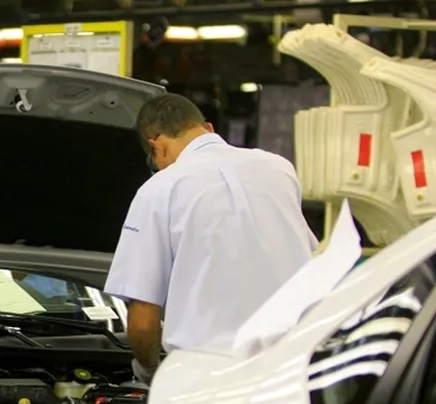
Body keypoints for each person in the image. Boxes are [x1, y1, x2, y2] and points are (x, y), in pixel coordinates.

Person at [104, 93, 317, 383]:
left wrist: (149, 371)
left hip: (207, 380)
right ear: (209, 129)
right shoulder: (279, 168)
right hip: (292, 368)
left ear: (157, 146)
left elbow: (143, 319)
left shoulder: (159, 189)